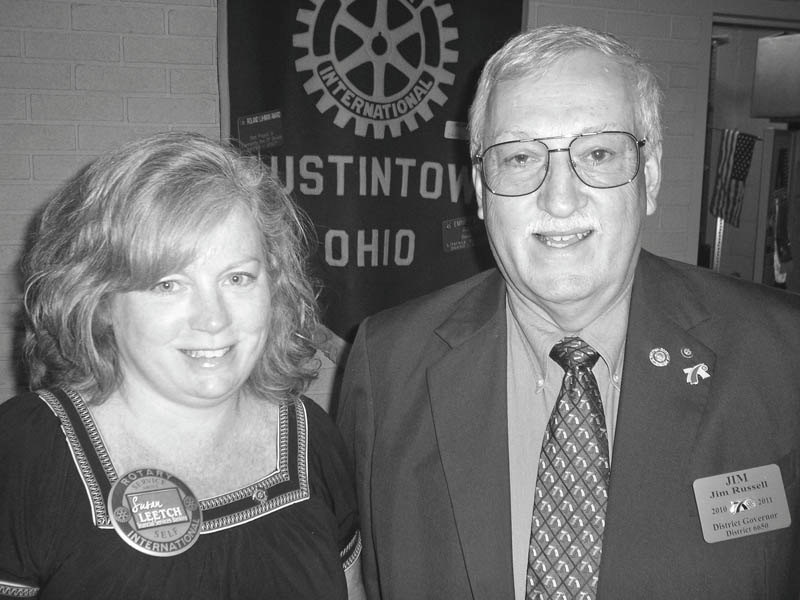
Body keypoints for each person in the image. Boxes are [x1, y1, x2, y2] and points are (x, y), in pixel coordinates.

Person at [337, 25, 800, 600]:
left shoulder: (783, 357)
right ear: (481, 190)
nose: (559, 198)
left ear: (649, 177)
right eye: (519, 157)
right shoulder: (387, 366)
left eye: (599, 152)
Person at [0, 132, 365, 600]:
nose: (213, 319)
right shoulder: (26, 451)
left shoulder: (311, 436)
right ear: (100, 300)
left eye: (237, 278)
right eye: (168, 285)